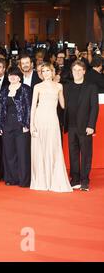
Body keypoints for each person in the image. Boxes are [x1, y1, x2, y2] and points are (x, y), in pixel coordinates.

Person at [29, 63, 72, 192]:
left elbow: (63, 105)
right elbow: (33, 107)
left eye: (48, 70)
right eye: (43, 71)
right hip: (39, 119)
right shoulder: (37, 87)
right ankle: (41, 180)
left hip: (53, 120)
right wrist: (32, 125)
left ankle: (54, 180)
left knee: (54, 148)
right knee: (40, 149)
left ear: (53, 72)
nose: (46, 73)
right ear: (41, 73)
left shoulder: (59, 86)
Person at [63, 61, 99, 192]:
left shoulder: (91, 87)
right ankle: (75, 179)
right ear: (71, 72)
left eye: (79, 70)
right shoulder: (67, 87)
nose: (77, 72)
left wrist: (91, 125)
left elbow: (94, 108)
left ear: (84, 71)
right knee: (73, 154)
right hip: (71, 126)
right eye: (74, 70)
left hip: (85, 127)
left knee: (86, 154)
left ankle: (85, 180)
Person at [0, 67, 32, 187]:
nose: (13, 77)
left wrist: (26, 124)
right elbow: (1, 109)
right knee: (9, 153)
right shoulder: (4, 90)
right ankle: (11, 178)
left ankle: (24, 180)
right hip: (7, 125)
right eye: (11, 75)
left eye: (15, 75)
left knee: (23, 153)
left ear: (19, 77)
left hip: (21, 125)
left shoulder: (25, 89)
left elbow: (28, 107)